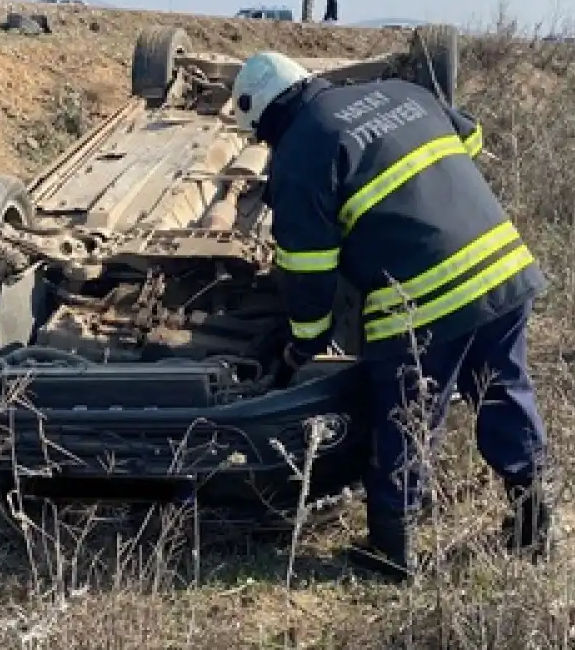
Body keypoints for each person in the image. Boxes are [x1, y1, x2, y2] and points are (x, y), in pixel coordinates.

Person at [231, 49, 553, 582]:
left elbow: (309, 270)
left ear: (263, 117)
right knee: (505, 390)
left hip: (425, 300)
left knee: (405, 417)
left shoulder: (301, 150)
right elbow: (470, 141)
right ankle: (534, 520)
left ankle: (391, 550)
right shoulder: (404, 92)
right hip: (503, 267)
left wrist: (302, 345)